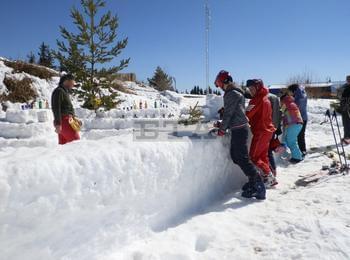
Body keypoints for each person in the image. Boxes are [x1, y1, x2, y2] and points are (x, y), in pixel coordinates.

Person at [214, 70, 266, 200]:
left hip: (239, 129)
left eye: (219, 84)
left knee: (242, 158)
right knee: (236, 157)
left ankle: (258, 185)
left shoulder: (231, 93)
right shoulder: (235, 92)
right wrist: (222, 125)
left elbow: (229, 114)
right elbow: (234, 112)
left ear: (223, 82)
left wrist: (222, 129)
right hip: (238, 128)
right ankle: (253, 180)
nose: (220, 87)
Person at [246, 80, 277, 187]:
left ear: (258, 87)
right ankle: (271, 176)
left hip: (261, 131)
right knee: (263, 156)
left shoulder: (256, 100)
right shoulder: (265, 98)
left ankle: (269, 177)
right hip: (268, 131)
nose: (250, 92)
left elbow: (246, 115)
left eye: (252, 89)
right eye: (249, 89)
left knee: (254, 157)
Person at [51, 74, 80, 145]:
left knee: (64, 147)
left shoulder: (63, 91)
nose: (73, 84)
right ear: (67, 81)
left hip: (65, 121)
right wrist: (58, 124)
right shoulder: (59, 91)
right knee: (76, 143)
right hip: (64, 121)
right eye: (73, 82)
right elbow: (56, 107)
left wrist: (74, 117)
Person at [280, 94, 304, 163]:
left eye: (280, 101)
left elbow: (281, 113)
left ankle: (297, 158)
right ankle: (298, 154)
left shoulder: (286, 104)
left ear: (283, 100)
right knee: (291, 140)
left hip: (294, 124)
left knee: (291, 141)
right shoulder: (292, 103)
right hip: (298, 123)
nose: (280, 103)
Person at [287, 84, 308, 156]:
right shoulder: (303, 94)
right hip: (304, 117)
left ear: (293, 90)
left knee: (299, 135)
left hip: (300, 118)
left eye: (289, 91)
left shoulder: (298, 98)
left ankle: (302, 151)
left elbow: (295, 107)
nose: (289, 93)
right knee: (301, 135)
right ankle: (302, 150)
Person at [267, 92, 282, 177]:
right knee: (269, 151)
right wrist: (278, 128)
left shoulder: (267, 98)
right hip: (274, 127)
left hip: (268, 127)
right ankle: (273, 170)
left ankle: (272, 172)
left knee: (267, 151)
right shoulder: (276, 98)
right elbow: (279, 113)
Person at [340, 76, 350, 144]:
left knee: (346, 124)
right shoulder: (346, 87)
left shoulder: (347, 88)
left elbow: (344, 98)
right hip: (345, 108)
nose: (347, 81)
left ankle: (347, 138)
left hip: (346, 109)